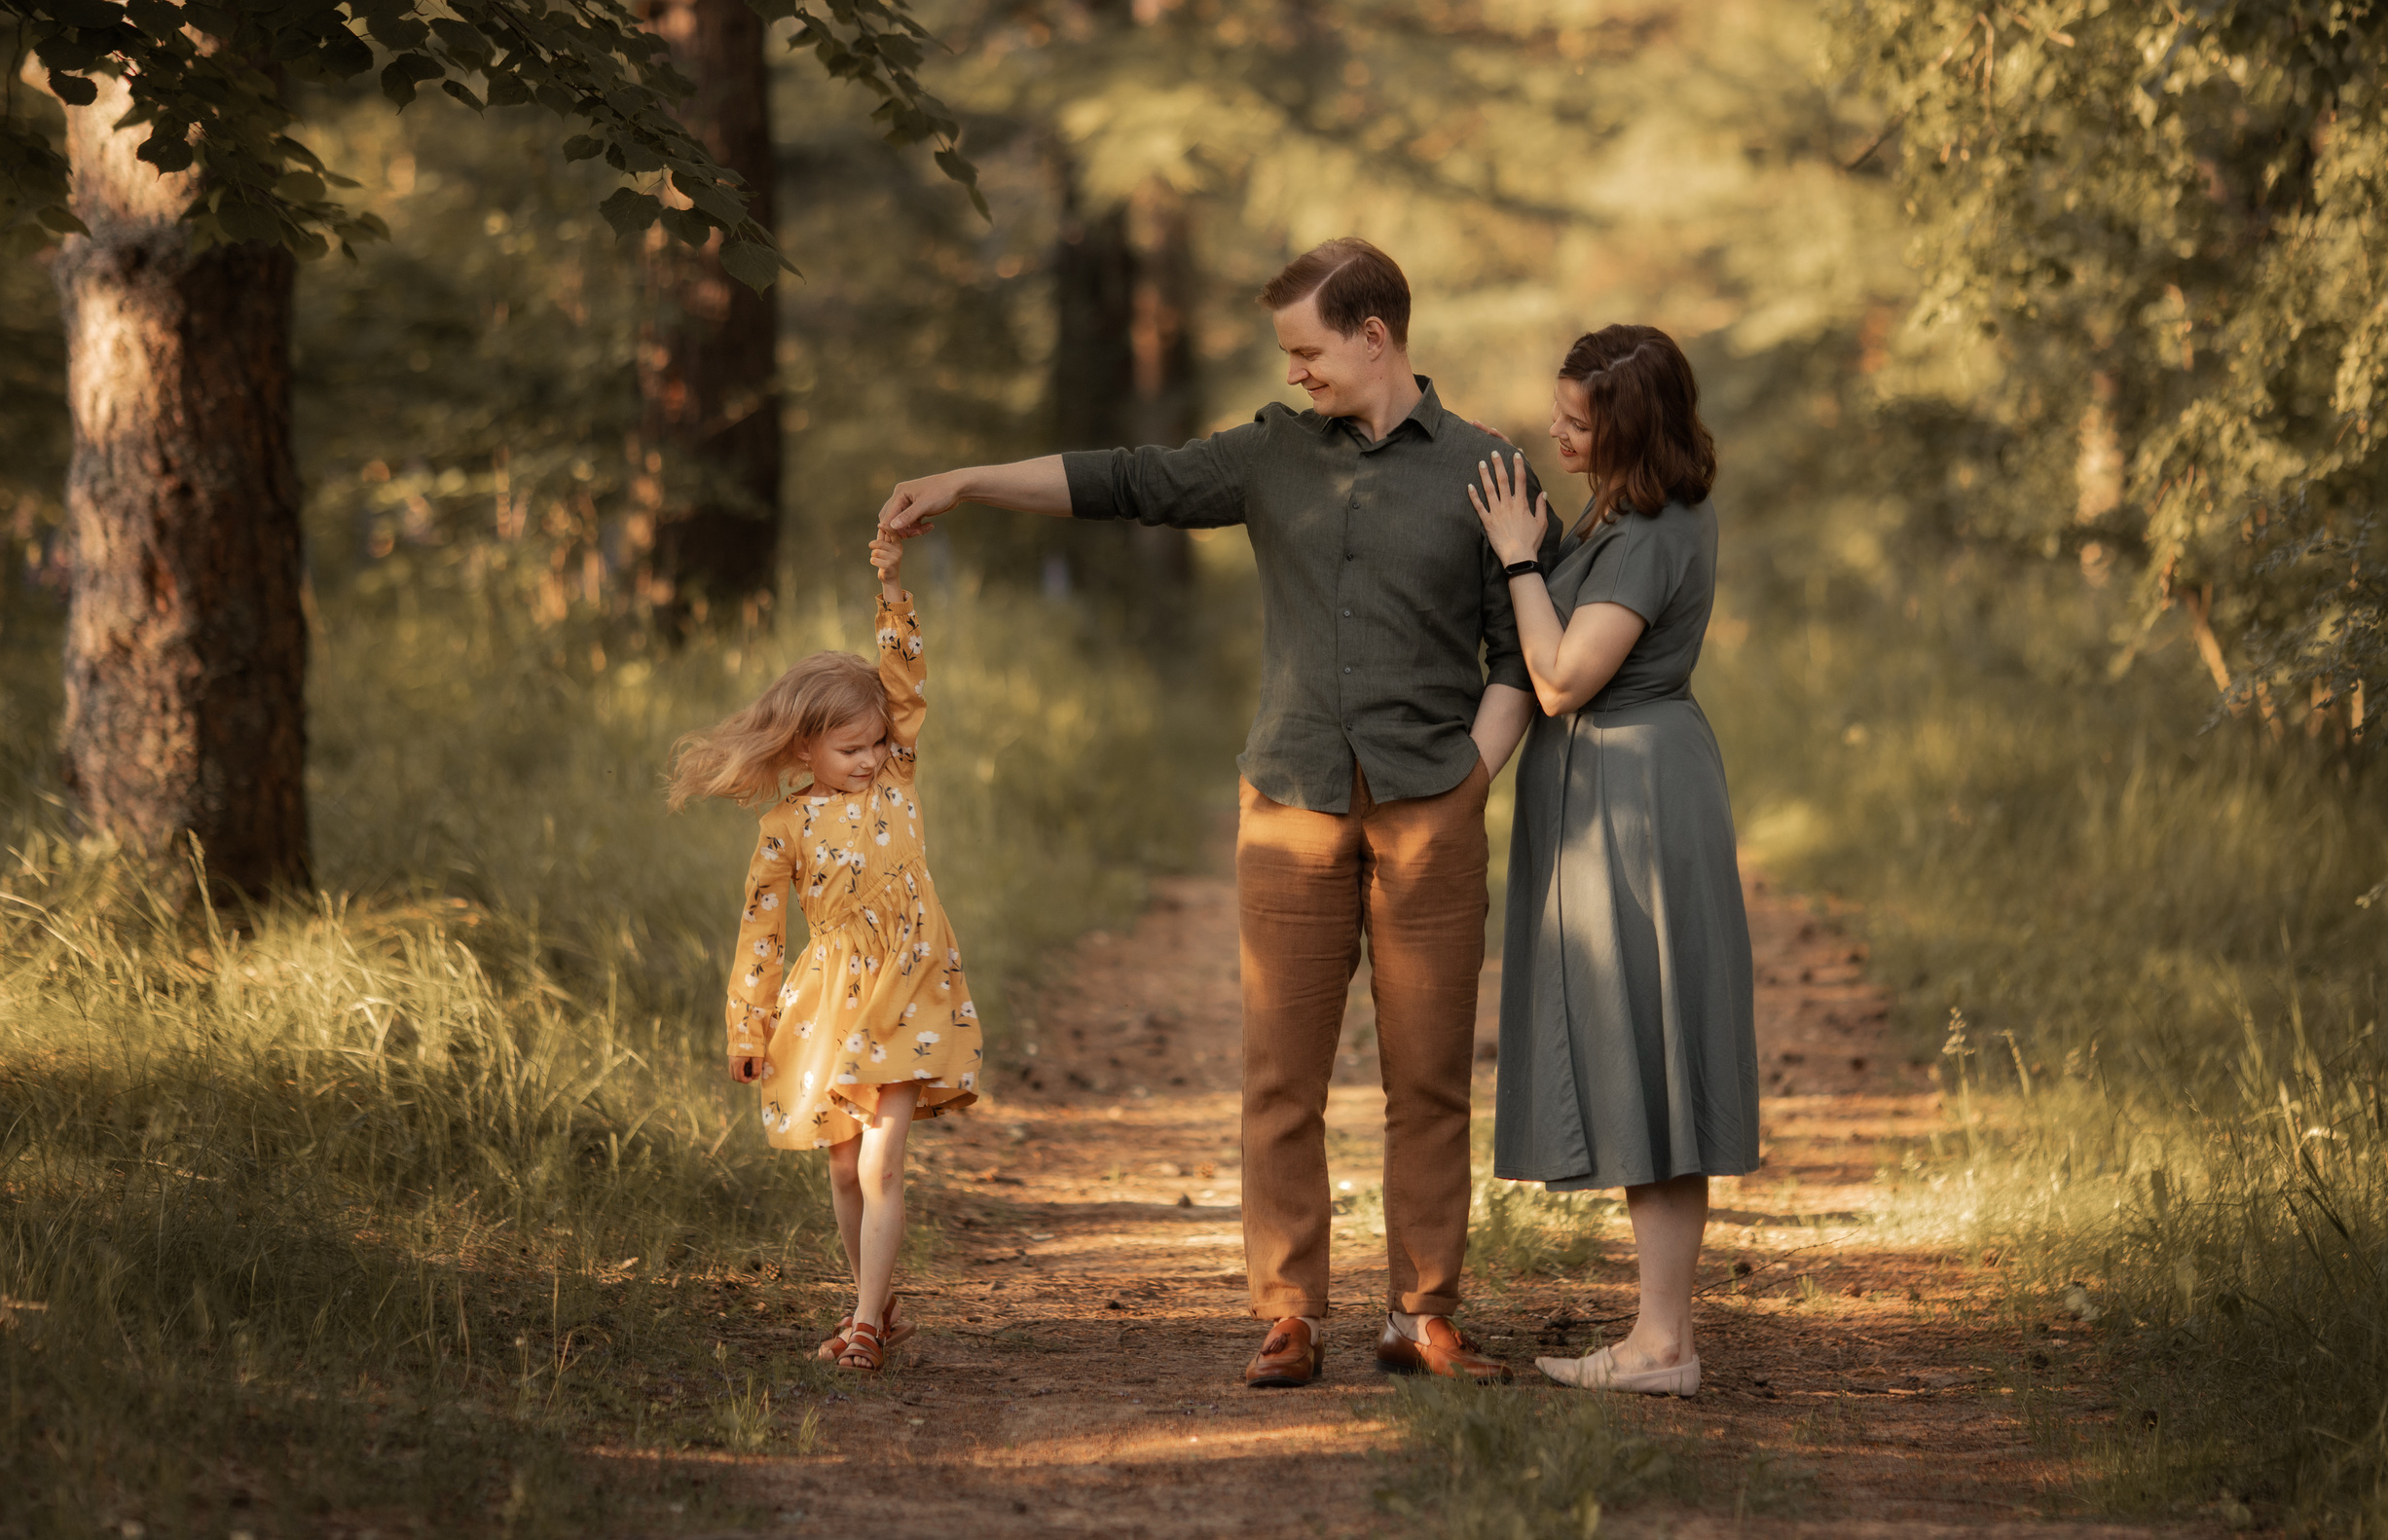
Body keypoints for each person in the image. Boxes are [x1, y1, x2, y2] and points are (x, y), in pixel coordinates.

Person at [879, 238, 1560, 1388]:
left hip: (1425, 807)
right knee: (1279, 1072)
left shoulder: (1490, 470)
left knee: (1430, 1072)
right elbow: (1128, 480)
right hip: (1290, 795)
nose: (1296, 371)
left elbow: (1519, 652)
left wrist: (1468, 787)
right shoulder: (1270, 456)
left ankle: (1423, 1314)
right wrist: (965, 481)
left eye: (1309, 350)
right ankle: (1289, 1312)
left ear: (1374, 336)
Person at [1467, 323, 1759, 1397]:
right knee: (1650, 1057)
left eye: (1575, 421)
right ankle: (1661, 1337)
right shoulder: (1631, 515)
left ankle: (1660, 1344)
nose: (1555, 429)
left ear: (1626, 427)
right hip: (1628, 787)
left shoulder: (1647, 534)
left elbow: (1557, 679)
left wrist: (1512, 553)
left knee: (1651, 1056)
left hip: (1634, 803)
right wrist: (1540, 536)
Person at [667, 531, 980, 1375]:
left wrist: (891, 586)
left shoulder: (898, 780)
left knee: (883, 1158)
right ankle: (872, 1302)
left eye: (877, 743)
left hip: (910, 984)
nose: (870, 759)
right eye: (852, 749)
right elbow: (761, 932)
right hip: (833, 1000)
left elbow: (907, 686)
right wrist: (748, 1026)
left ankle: (868, 1328)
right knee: (845, 1171)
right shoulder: (785, 828)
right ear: (803, 748)